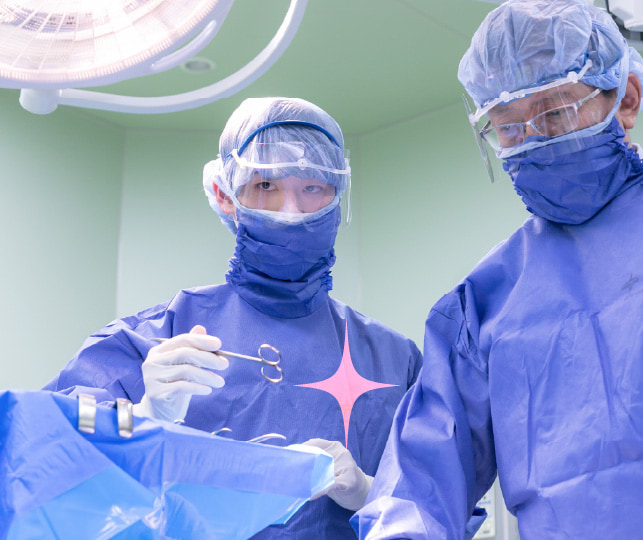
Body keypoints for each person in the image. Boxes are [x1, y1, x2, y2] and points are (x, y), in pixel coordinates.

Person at [352, 1, 643, 538]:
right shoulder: (483, 302)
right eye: (509, 130)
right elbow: (419, 480)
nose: (535, 142)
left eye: (555, 113)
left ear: (626, 99)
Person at [44, 97, 423, 539]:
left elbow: (446, 500)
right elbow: (48, 453)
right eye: (265, 185)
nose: (290, 211)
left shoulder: (394, 361)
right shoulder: (153, 338)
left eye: (312, 187)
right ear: (226, 196)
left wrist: (370, 492)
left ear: (338, 196)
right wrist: (144, 417)